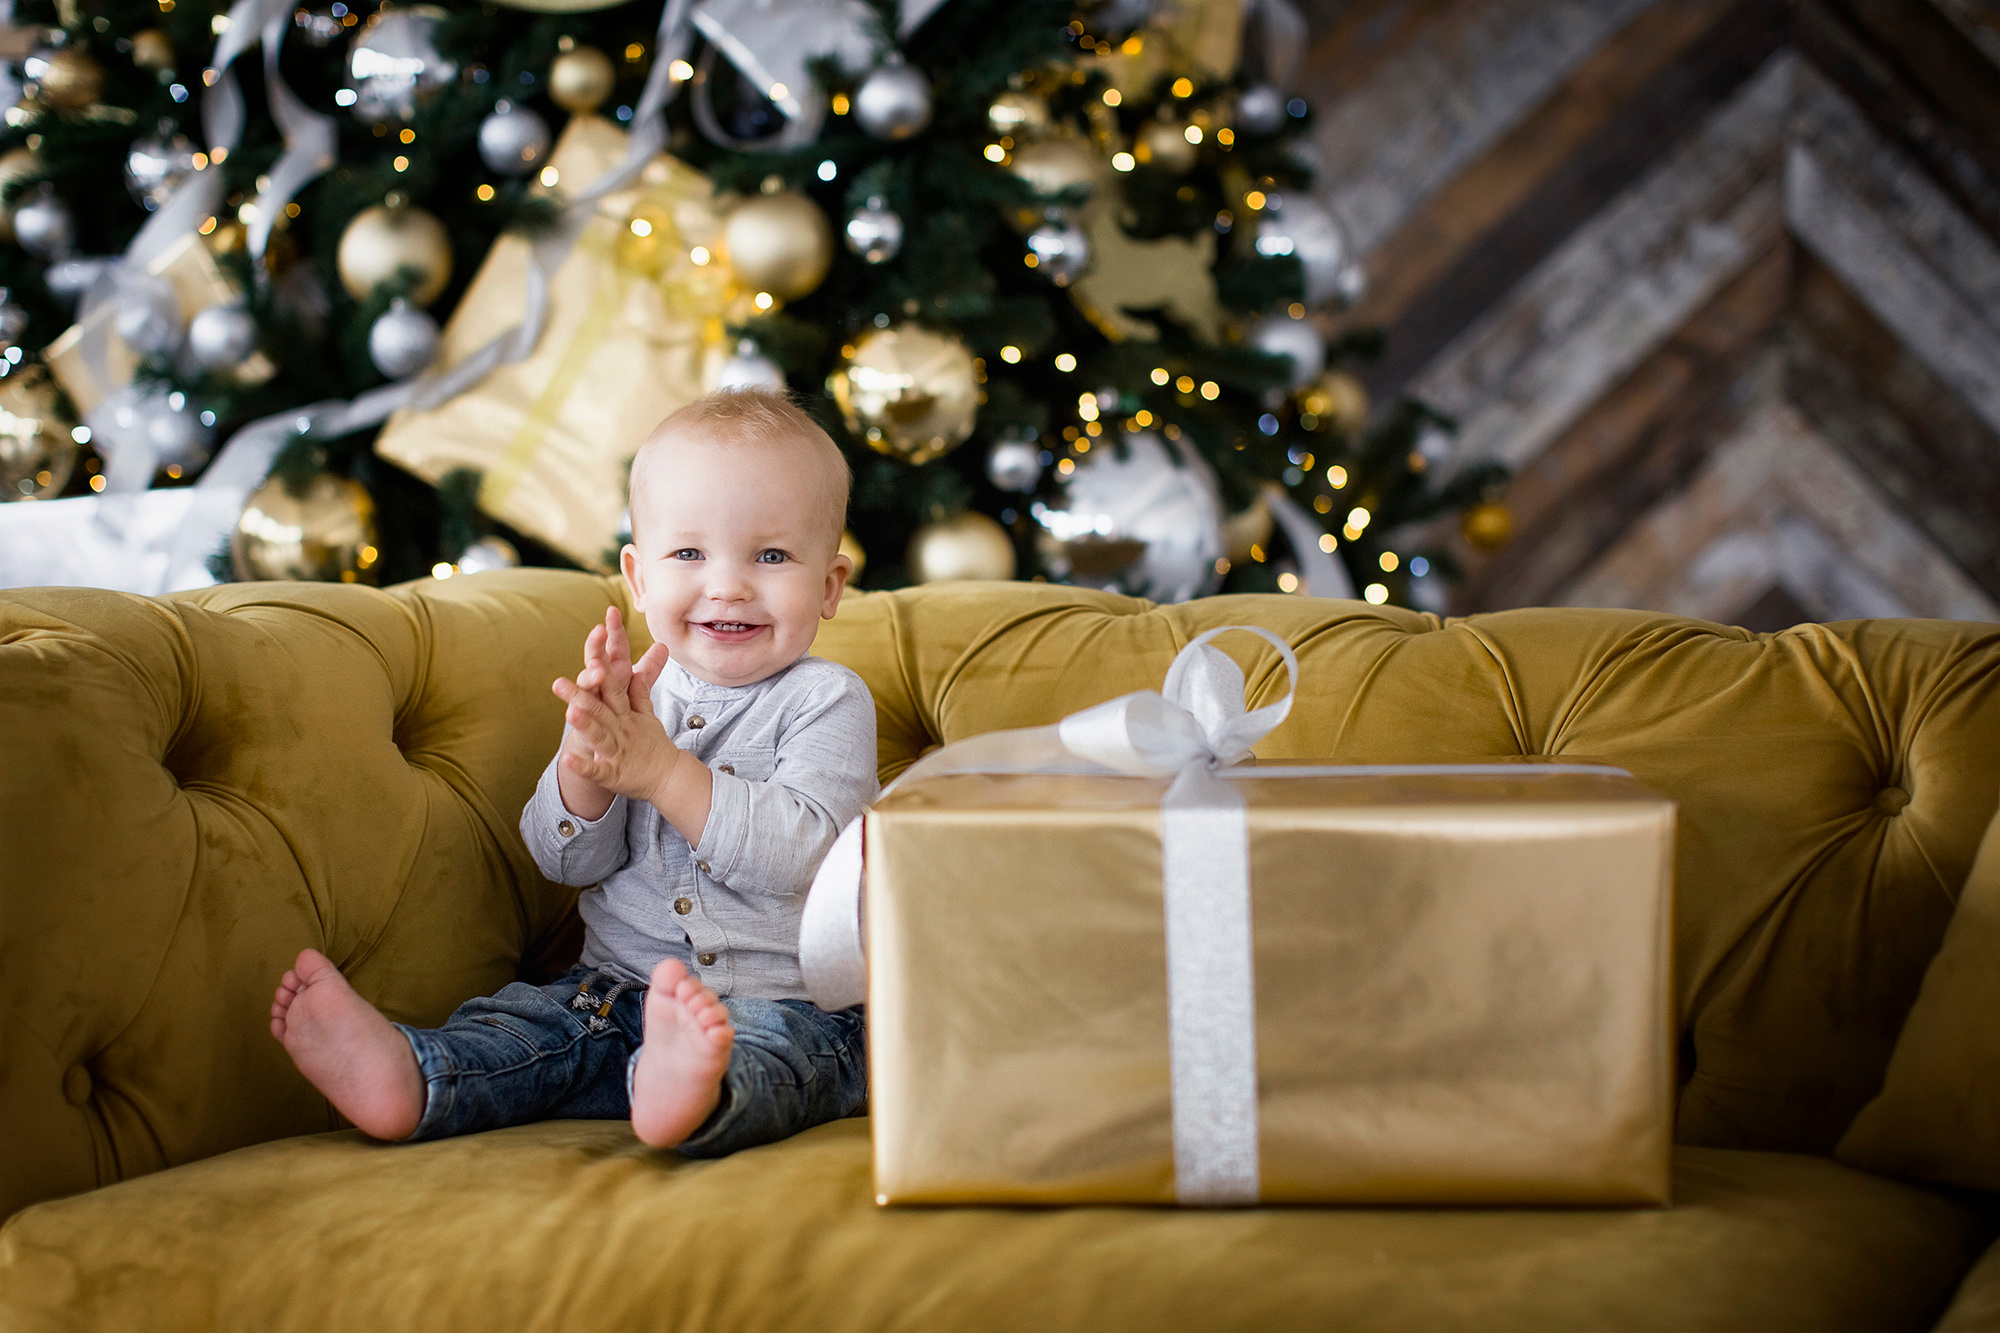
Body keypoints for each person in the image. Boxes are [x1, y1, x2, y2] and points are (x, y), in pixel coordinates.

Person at [269, 388, 876, 1155]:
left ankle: (695, 1088)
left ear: (828, 585)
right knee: (531, 1027)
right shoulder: (628, 698)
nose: (728, 584)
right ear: (638, 576)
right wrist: (586, 768)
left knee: (794, 1064)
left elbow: (807, 860)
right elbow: (564, 860)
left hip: (787, 1004)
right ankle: (419, 1074)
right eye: (689, 553)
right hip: (613, 993)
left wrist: (661, 773)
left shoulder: (828, 700)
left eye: (772, 555)